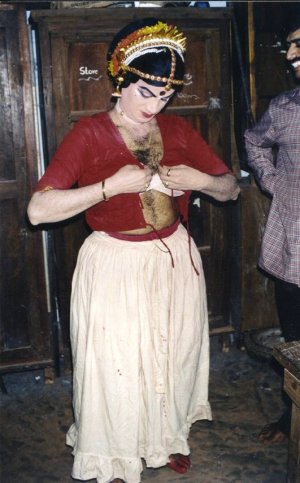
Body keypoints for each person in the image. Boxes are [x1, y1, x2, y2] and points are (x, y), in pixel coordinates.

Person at [28, 18, 240, 483]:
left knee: (173, 352)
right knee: (118, 360)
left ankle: (166, 439)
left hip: (173, 258)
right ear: (120, 79)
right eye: (146, 92)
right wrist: (107, 187)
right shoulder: (88, 135)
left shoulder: (179, 131)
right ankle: (115, 452)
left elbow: (230, 189)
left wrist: (202, 181)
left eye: (164, 96)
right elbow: (39, 210)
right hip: (116, 263)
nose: (156, 105)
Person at [244, 14, 300, 445]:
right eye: (289, 45)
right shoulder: (284, 108)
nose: (291, 54)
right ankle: (292, 419)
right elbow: (254, 142)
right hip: (294, 245)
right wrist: (271, 180)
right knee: (296, 338)